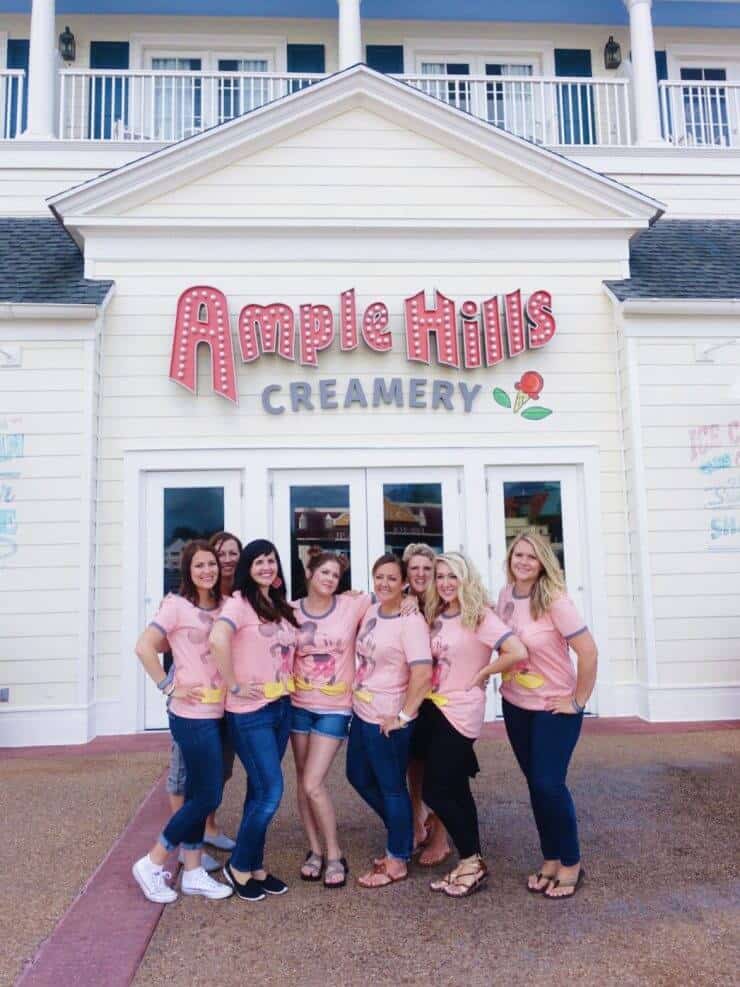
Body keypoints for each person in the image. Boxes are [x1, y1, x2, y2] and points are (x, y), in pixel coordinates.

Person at [412, 552, 527, 898]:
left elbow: (516, 651)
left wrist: (483, 673)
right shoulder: (435, 614)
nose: (446, 583)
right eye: (441, 576)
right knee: (457, 787)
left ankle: (472, 861)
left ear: (466, 579)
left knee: (436, 789)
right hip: (433, 707)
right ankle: (469, 861)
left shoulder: (479, 616)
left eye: (453, 577)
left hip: (461, 710)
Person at [497, 530, 598, 900]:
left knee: (548, 784)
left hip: (553, 708)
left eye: (531, 556)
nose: (523, 561)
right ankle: (550, 857)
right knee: (535, 785)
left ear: (543, 563)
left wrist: (578, 700)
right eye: (517, 555)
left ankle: (571, 862)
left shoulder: (555, 600)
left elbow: (588, 651)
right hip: (515, 704)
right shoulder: (506, 595)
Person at [131, 540, 233, 903]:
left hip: (219, 710)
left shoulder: (224, 606)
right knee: (207, 793)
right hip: (191, 715)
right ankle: (153, 861)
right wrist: (168, 685)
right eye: (199, 565)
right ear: (188, 570)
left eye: (211, 565)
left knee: (198, 792)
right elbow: (144, 646)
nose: (207, 571)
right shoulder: (176, 605)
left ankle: (192, 872)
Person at [209, 539, 299, 902]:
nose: (267, 566)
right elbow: (218, 639)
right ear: (248, 567)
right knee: (272, 790)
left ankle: (255, 866)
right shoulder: (239, 603)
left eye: (272, 561)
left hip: (280, 706)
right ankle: (240, 864)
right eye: (259, 561)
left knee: (259, 790)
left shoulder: (276, 604)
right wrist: (232, 683)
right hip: (251, 713)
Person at [346, 553, 433, 888]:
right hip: (363, 712)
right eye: (379, 577)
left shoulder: (411, 622)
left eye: (392, 579)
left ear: (405, 583)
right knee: (357, 775)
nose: (384, 584)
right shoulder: (371, 610)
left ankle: (397, 858)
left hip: (389, 718)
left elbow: (422, 673)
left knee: (392, 788)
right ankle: (409, 829)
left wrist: (403, 716)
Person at [291, 552, 373, 888]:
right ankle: (314, 850)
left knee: (313, 782)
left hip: (335, 707)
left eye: (336, 575)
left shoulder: (352, 605)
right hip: (297, 705)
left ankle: (335, 854)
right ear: (309, 573)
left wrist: (410, 603)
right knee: (302, 782)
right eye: (324, 572)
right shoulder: (291, 611)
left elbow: (393, 596)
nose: (329, 579)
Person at [162, 531, 243, 869]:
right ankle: (183, 844)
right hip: (190, 705)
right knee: (185, 776)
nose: (222, 561)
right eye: (216, 555)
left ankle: (207, 829)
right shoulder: (178, 603)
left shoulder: (232, 602)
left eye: (229, 554)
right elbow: (157, 644)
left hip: (222, 703)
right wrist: (169, 685)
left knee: (217, 773)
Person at [401, 542, 451, 866]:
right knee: (414, 765)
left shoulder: (447, 603)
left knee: (444, 770)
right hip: (413, 694)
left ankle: (442, 838)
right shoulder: (403, 604)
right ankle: (418, 821)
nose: (420, 574)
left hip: (445, 699)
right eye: (414, 568)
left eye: (426, 569)